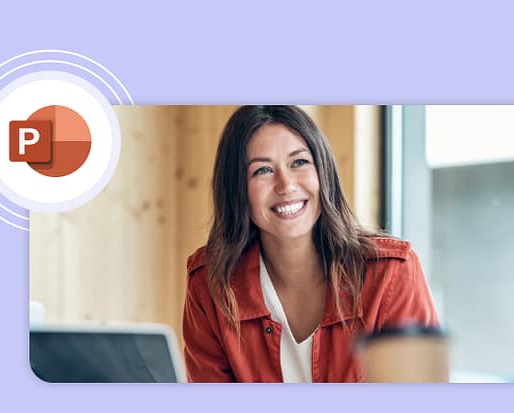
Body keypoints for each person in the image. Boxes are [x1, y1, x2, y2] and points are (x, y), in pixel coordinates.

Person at [182, 105, 438, 382]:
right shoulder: (211, 285)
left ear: (322, 171)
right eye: (263, 170)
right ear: (237, 190)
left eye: (299, 162)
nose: (286, 185)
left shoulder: (391, 275)